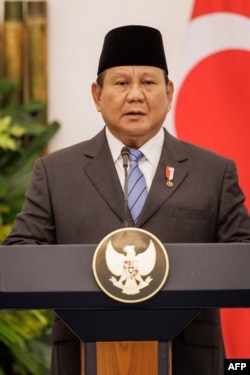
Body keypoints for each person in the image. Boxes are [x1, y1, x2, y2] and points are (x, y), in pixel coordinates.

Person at [3, 25, 250, 375]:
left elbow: (244, 256)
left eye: (148, 83)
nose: (135, 95)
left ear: (169, 92)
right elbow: (20, 258)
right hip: (83, 359)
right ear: (97, 95)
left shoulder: (213, 171)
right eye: (121, 83)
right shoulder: (56, 172)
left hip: (189, 361)